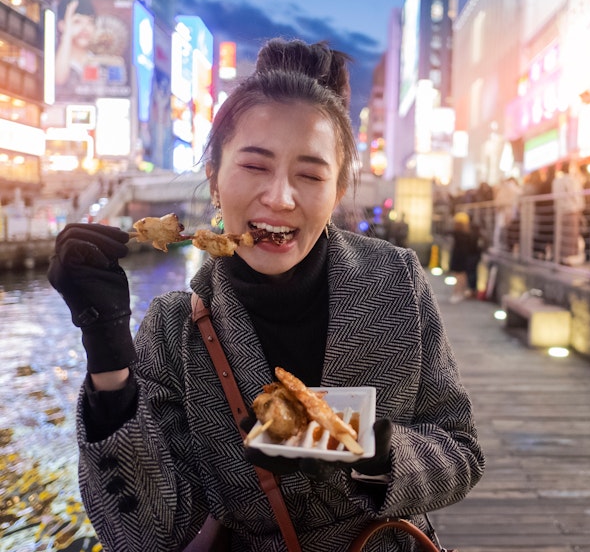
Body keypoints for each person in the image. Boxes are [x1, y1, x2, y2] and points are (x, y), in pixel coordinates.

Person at [47, 39, 485, 551]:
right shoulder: (173, 328)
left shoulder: (395, 281)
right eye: (255, 166)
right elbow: (144, 536)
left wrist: (348, 439)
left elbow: (460, 451)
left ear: (338, 191)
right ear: (214, 179)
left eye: (311, 174)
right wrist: (107, 355)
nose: (280, 197)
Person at [551, 163, 585, 265]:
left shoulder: (556, 181)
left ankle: (560, 257)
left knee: (561, 235)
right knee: (570, 237)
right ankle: (567, 259)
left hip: (559, 212)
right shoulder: (572, 180)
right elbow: (576, 196)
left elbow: (555, 196)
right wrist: (580, 208)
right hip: (571, 211)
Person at [449, 211, 482, 302]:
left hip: (460, 257)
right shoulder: (468, 233)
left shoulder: (460, 234)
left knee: (460, 276)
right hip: (463, 257)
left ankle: (458, 293)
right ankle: (460, 292)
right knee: (462, 276)